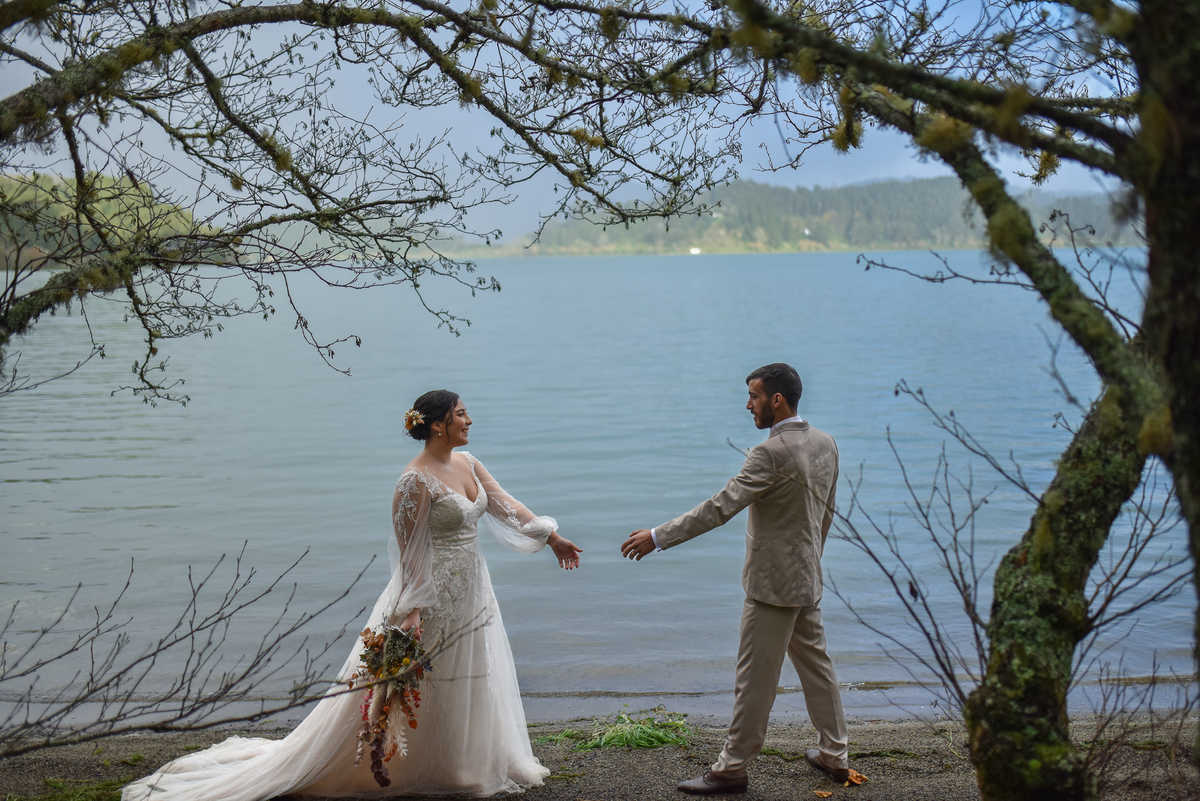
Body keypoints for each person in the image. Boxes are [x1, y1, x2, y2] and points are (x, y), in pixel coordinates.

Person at [124, 389, 583, 800]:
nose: (469, 420)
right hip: (431, 595)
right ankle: (413, 764)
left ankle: (461, 763)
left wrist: (551, 537)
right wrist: (412, 609)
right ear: (437, 424)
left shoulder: (469, 463)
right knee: (428, 677)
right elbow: (410, 551)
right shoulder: (414, 481)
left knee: (471, 667)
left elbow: (504, 503)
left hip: (473, 587)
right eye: (461, 414)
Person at [621, 363, 849, 795]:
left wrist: (658, 536)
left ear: (776, 400)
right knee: (818, 669)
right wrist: (809, 561)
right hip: (806, 577)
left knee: (754, 682)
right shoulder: (826, 442)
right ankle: (835, 756)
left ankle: (731, 769)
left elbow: (719, 508)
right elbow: (826, 513)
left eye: (754, 396)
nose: (748, 405)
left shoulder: (769, 453)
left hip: (772, 587)